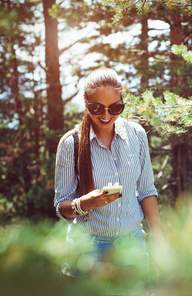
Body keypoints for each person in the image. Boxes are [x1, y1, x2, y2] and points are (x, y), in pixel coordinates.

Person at [54, 67, 162, 276]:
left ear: (122, 101)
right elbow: (61, 207)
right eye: (97, 108)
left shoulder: (137, 135)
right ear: (85, 102)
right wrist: (85, 203)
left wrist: (159, 239)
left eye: (115, 107)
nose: (106, 115)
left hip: (132, 244)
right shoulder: (71, 144)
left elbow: (147, 191)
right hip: (87, 248)